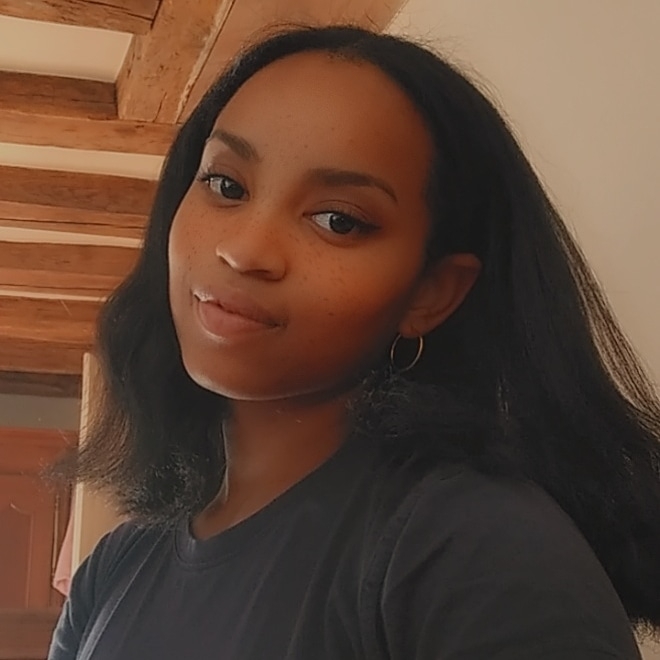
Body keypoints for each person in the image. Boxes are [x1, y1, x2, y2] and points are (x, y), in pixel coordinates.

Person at [48, 25, 660, 660]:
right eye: (226, 185)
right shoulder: (114, 569)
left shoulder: (476, 550)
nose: (245, 249)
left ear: (432, 292)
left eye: (337, 220)